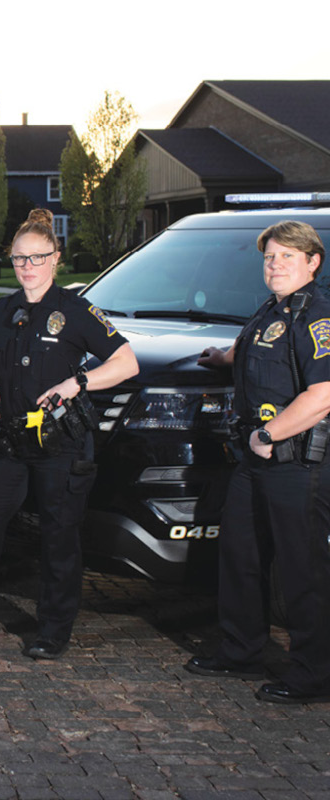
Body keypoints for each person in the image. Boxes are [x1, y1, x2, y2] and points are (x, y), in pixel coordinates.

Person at [0, 209, 138, 658]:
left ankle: (53, 632)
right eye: (19, 259)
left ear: (55, 258)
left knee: (58, 535)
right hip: (11, 441)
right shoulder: (1, 310)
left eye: (37, 257)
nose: (27, 267)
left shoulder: (77, 312)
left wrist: (78, 383)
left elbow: (126, 362)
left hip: (61, 444)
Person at [184, 220, 330, 704]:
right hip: (256, 458)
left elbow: (323, 393)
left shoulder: (319, 317)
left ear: (313, 262)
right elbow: (264, 352)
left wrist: (268, 434)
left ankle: (314, 675)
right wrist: (223, 356)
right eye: (270, 256)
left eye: (288, 256)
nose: (275, 264)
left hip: (295, 462)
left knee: (302, 569)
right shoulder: (272, 310)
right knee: (241, 554)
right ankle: (241, 650)